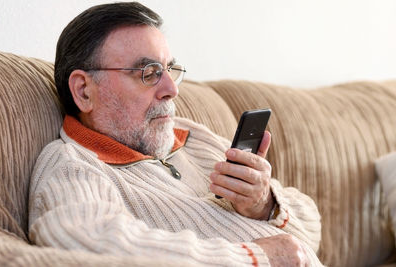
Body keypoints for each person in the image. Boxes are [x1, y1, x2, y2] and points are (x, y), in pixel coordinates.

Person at [28, 2, 323, 266]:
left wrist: (264, 205)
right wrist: (253, 258)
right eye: (149, 73)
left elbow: (313, 229)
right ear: (83, 91)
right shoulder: (72, 165)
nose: (172, 89)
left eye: (169, 69)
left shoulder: (192, 137)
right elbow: (84, 240)